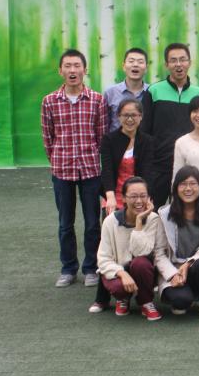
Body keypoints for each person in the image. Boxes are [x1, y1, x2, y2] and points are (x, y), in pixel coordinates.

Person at [42, 49, 107, 288]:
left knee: (92, 223)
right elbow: (48, 138)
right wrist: (58, 159)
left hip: (90, 170)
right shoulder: (49, 101)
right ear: (60, 70)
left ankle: (91, 268)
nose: (72, 70)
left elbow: (101, 135)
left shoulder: (97, 100)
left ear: (85, 70)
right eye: (68, 66)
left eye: (77, 65)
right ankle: (68, 269)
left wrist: (92, 157)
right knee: (65, 223)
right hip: (62, 170)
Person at [140, 43, 199, 207]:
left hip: (188, 167)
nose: (178, 64)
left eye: (183, 60)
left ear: (189, 63)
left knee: (185, 214)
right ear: (166, 65)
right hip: (158, 167)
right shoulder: (154, 91)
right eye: (173, 60)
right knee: (152, 213)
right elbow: (144, 131)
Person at [154, 166, 199, 320]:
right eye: (183, 184)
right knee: (180, 303)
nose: (188, 188)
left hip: (196, 267)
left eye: (193, 184)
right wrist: (172, 275)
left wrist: (188, 264)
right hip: (173, 270)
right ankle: (186, 297)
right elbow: (159, 252)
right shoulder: (164, 214)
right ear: (176, 188)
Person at [94, 176, 163, 321]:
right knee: (119, 287)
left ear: (149, 198)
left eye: (143, 196)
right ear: (124, 198)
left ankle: (146, 302)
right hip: (119, 271)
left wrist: (139, 222)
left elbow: (140, 252)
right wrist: (121, 273)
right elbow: (103, 259)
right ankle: (123, 298)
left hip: (144, 271)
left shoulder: (153, 219)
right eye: (133, 196)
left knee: (140, 263)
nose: (138, 201)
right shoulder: (110, 221)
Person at [100, 98, 155, 216]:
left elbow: (148, 172)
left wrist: (147, 197)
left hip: (138, 197)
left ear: (141, 116)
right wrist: (110, 197)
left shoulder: (147, 141)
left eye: (134, 115)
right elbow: (107, 170)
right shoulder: (109, 140)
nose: (130, 119)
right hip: (114, 195)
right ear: (118, 117)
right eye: (125, 115)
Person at [103, 47, 150, 132]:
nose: (135, 65)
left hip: (146, 140)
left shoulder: (152, 92)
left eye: (140, 62)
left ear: (146, 68)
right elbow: (104, 124)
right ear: (124, 66)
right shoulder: (110, 93)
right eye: (131, 61)